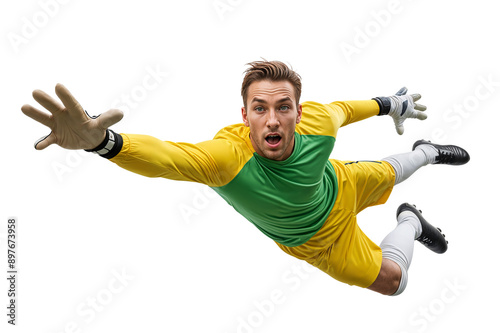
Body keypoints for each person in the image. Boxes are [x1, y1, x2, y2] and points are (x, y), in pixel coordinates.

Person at [21, 60, 470, 296]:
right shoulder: (225, 159)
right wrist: (105, 143)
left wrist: (394, 104)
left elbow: (347, 109)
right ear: (245, 115)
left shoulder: (319, 124)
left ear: (297, 112)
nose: (272, 120)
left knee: (396, 170)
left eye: (282, 108)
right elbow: (166, 157)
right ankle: (410, 220)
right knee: (394, 282)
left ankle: (426, 152)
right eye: (260, 109)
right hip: (318, 241)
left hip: (340, 183)